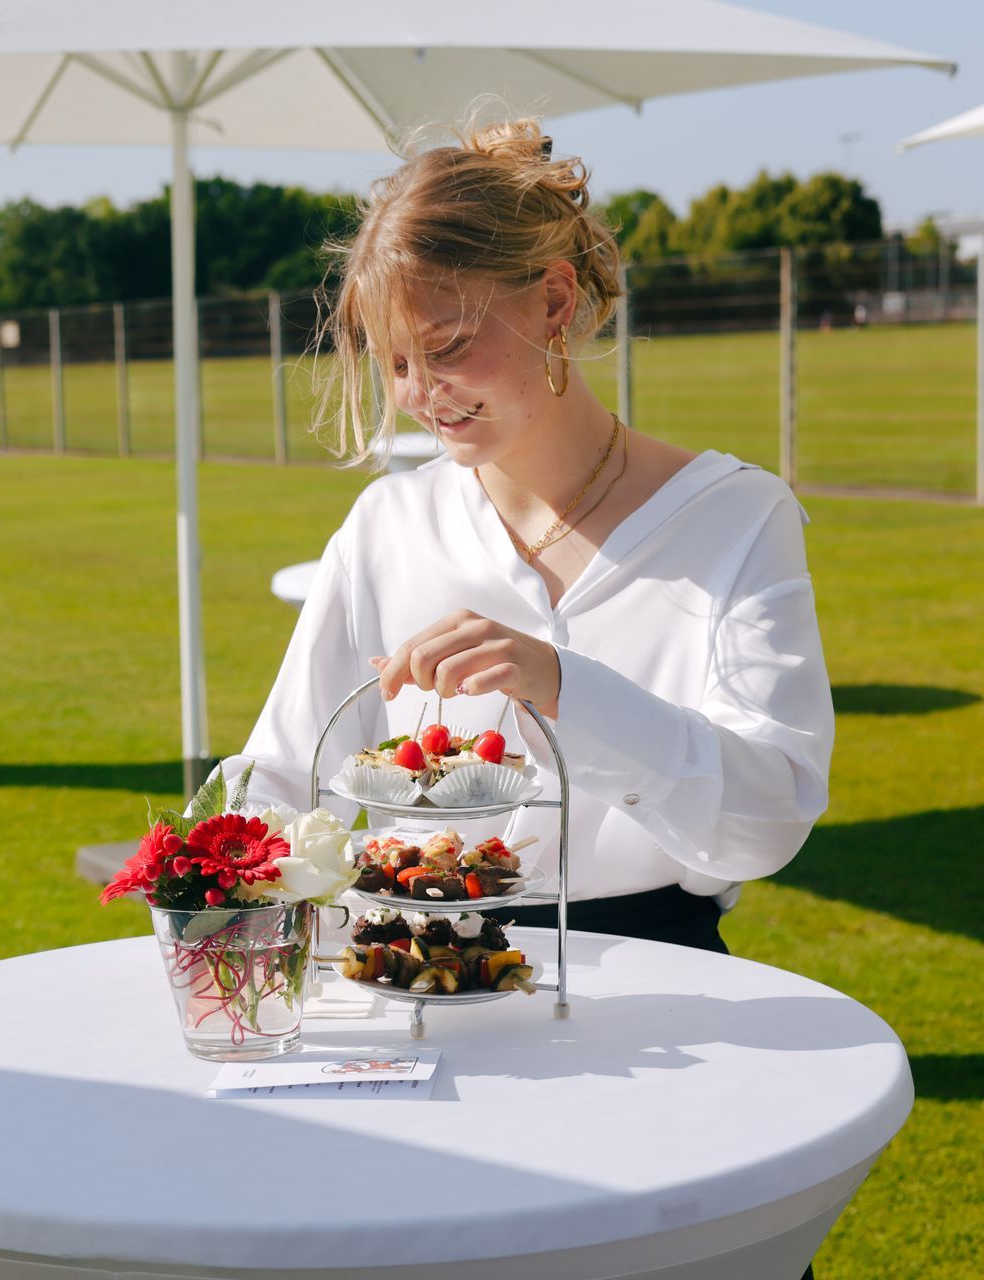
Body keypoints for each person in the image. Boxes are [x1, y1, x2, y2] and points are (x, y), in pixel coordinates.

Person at [221, 117, 835, 958]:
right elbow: (283, 777)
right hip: (409, 981)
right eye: (395, 363)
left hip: (659, 986)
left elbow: (767, 824)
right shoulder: (388, 525)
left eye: (447, 346)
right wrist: (217, 892)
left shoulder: (734, 517)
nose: (420, 394)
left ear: (552, 300)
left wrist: (565, 688)